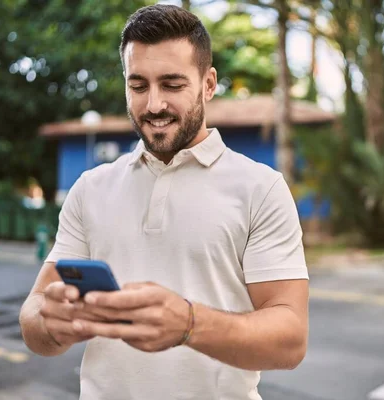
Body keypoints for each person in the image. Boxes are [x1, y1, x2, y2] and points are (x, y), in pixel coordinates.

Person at [19, 4, 309, 399]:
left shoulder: (261, 187)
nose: (153, 105)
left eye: (172, 85)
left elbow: (291, 340)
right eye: (138, 86)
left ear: (208, 84)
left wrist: (189, 325)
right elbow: (34, 318)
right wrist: (51, 324)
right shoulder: (90, 188)